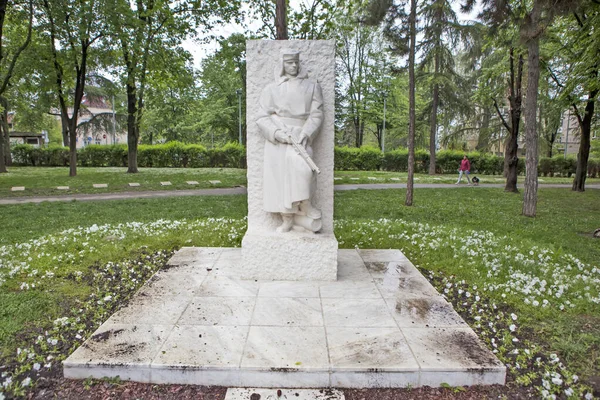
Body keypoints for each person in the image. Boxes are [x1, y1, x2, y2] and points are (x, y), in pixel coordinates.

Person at [256, 49, 324, 233]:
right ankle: (287, 218)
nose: (293, 66)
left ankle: (305, 203)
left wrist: (307, 133)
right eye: (289, 63)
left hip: (300, 136)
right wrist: (277, 133)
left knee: (305, 168)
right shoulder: (271, 89)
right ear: (282, 65)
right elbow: (262, 117)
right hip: (280, 139)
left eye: (296, 63)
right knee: (280, 181)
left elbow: (317, 114)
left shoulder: (312, 86)